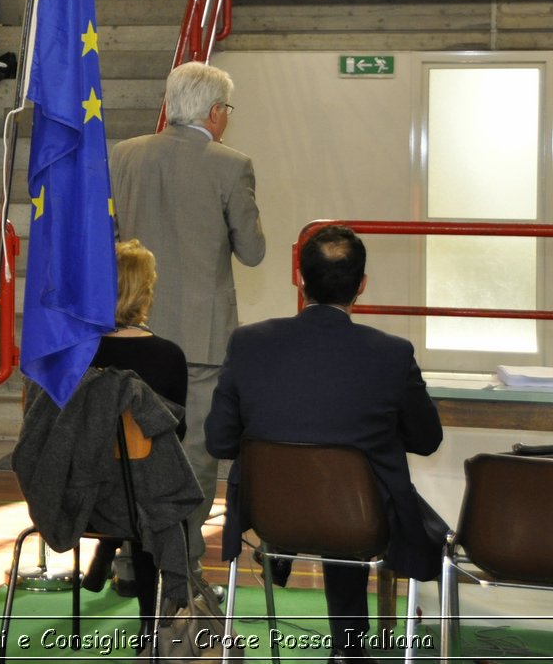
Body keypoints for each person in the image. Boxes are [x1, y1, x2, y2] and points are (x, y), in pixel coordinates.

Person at [205, 224, 446, 660]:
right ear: (362, 286)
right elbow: (427, 440)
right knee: (363, 493)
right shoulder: (391, 354)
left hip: (272, 516)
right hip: (360, 518)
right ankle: (351, 650)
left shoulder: (248, 343)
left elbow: (219, 441)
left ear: (299, 278)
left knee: (341, 490)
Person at [111, 60, 265, 570]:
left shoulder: (124, 156)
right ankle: (183, 563)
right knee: (194, 453)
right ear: (216, 112)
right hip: (200, 339)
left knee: (134, 449)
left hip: (131, 331)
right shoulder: (231, 164)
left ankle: (132, 559)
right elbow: (253, 251)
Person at [83, 238, 190, 638]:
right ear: (147, 292)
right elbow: (175, 433)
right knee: (151, 486)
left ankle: (104, 552)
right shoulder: (169, 356)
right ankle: (151, 623)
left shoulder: (79, 355)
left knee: (118, 474)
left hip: (82, 501)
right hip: (148, 510)